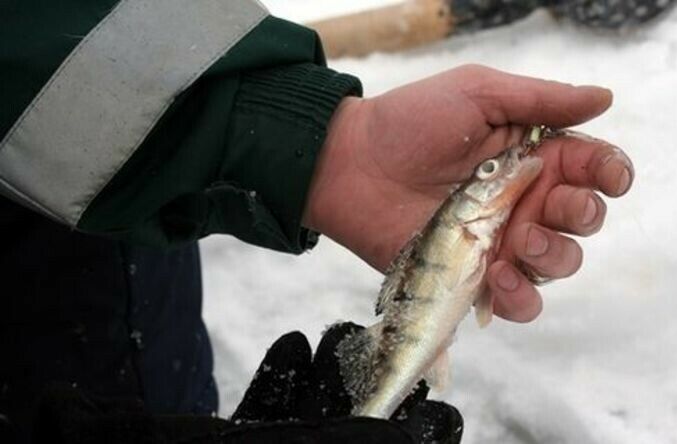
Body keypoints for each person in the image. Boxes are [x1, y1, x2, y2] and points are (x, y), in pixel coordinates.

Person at [0, 1, 633, 442]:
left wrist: (331, 149)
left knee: (146, 395)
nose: (494, 174)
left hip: (72, 218)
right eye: (488, 178)